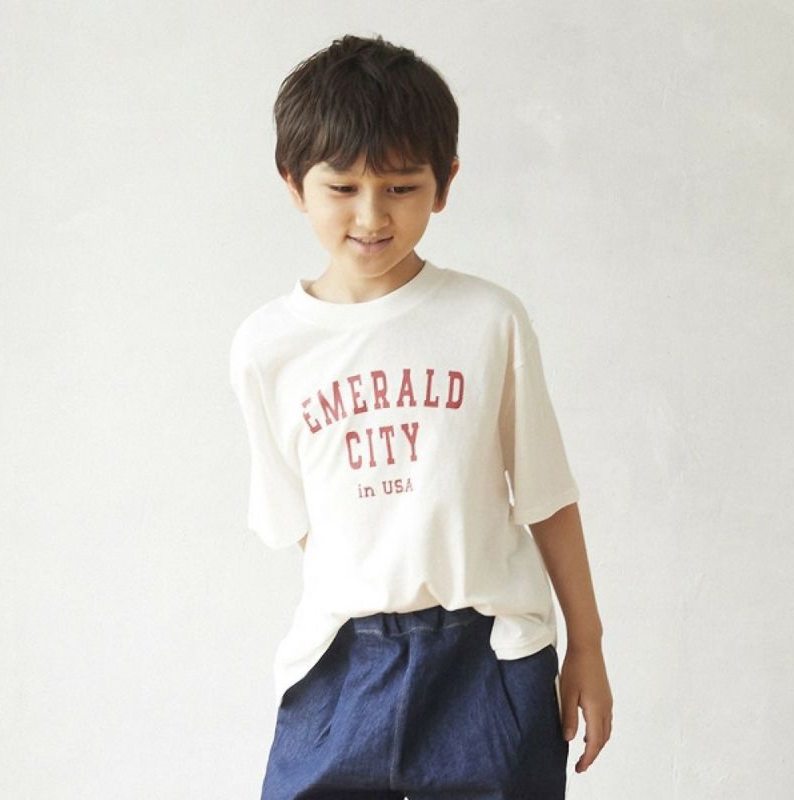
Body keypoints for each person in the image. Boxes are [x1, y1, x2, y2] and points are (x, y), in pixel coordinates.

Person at [229, 33, 613, 800]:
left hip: (488, 657)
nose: (371, 215)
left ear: (444, 183)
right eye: (343, 187)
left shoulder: (487, 321)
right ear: (294, 183)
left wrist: (588, 646)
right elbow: (302, 522)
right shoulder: (267, 348)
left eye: (401, 186)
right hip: (340, 662)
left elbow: (546, 496)